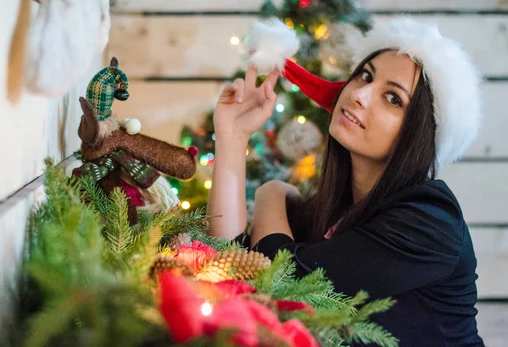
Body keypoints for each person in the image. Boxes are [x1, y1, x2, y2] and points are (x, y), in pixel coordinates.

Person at [206, 17, 484, 346]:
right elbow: (230, 263)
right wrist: (233, 138)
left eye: (393, 98)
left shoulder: (431, 222)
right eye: (365, 76)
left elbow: (286, 283)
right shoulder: (335, 211)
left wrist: (271, 192)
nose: (360, 94)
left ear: (418, 135)